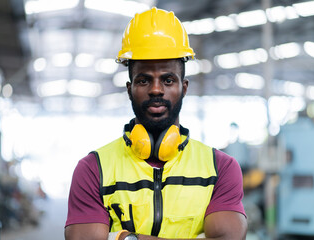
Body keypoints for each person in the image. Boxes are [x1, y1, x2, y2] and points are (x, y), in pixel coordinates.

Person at [65, 7, 247, 240]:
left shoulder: (220, 169)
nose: (156, 89)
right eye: (144, 80)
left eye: (168, 80)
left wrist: (122, 238)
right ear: (130, 89)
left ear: (184, 87)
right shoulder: (94, 169)